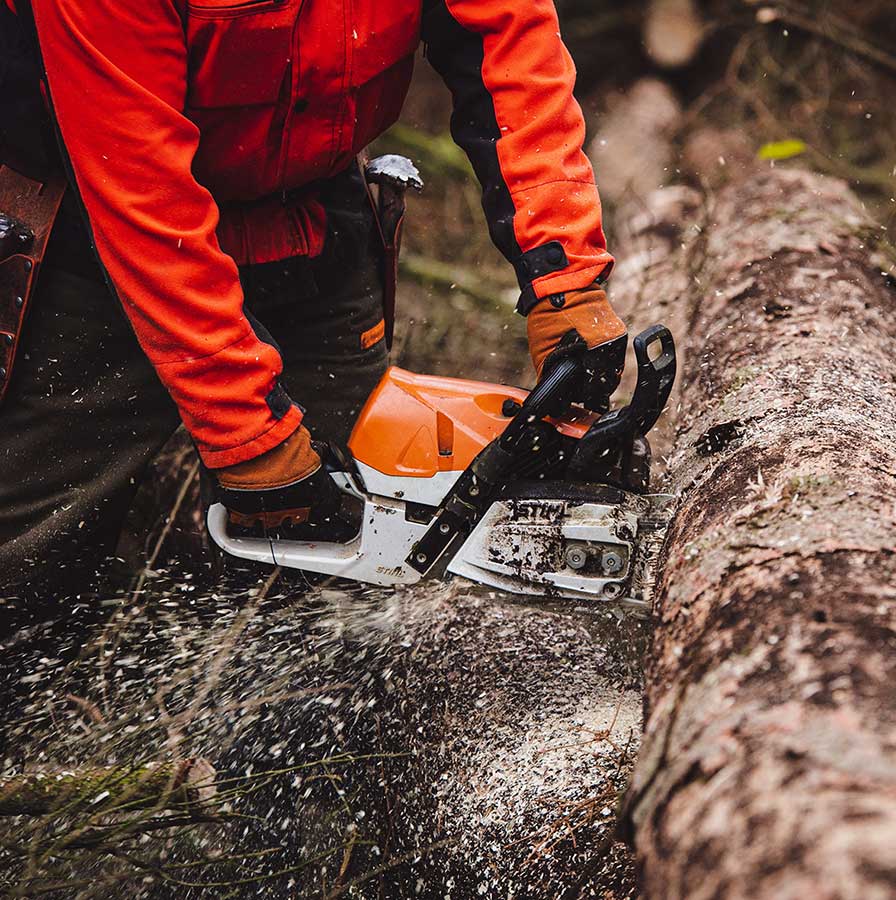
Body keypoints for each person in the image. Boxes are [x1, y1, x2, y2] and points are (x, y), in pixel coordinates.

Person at [0, 0, 627, 602]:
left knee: (360, 546)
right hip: (92, 226)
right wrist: (247, 433)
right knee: (32, 557)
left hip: (309, 207)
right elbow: (142, 192)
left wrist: (563, 273)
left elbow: (509, 42)